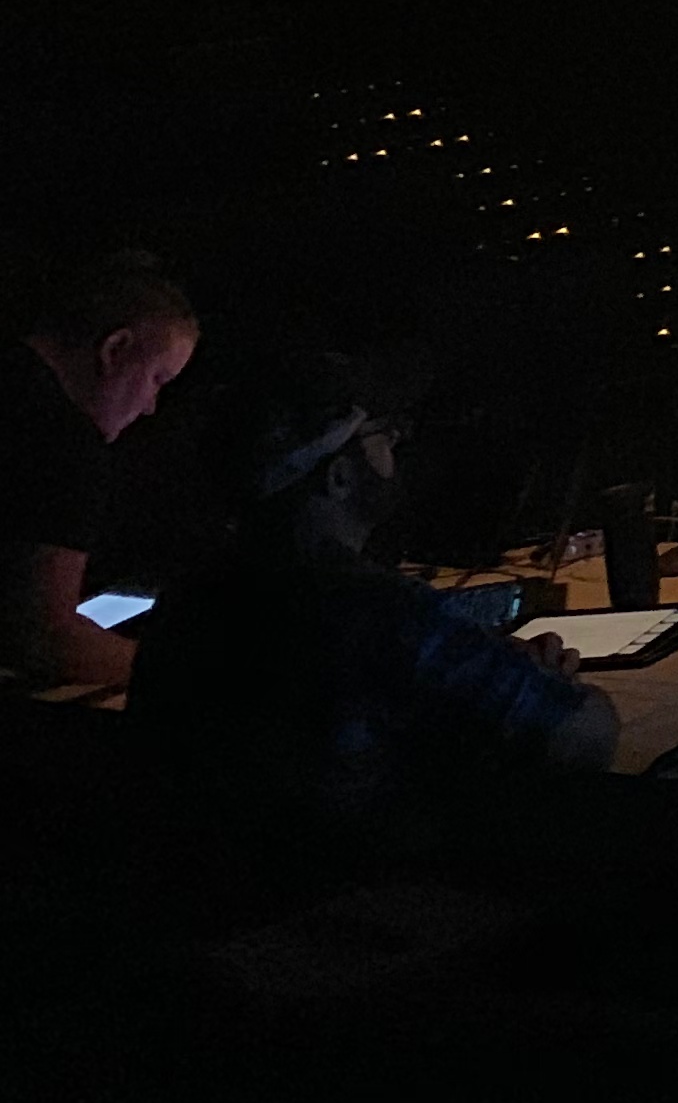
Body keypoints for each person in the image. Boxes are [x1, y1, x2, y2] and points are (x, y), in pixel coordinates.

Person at [131, 353, 618, 818]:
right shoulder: (384, 612)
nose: (396, 444)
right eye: (379, 435)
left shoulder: (186, 603)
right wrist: (546, 683)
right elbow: (586, 736)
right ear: (339, 477)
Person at [0, 251, 203, 690]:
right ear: (115, 349)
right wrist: (190, 676)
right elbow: (43, 636)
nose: (150, 407)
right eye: (157, 380)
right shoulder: (60, 442)